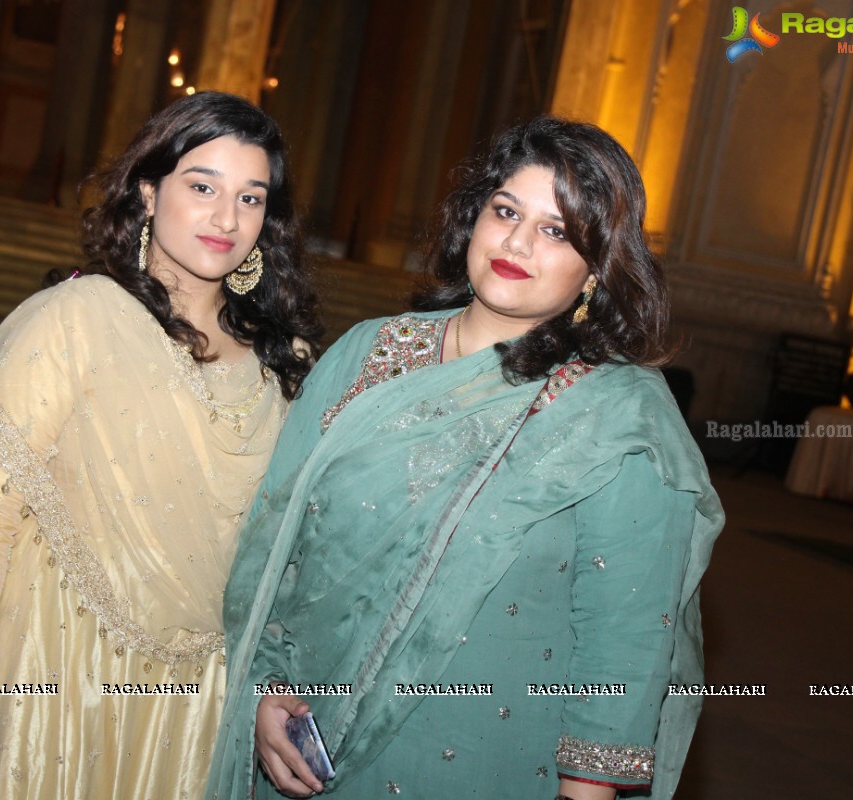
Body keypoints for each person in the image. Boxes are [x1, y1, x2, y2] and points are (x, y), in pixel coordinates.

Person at [207, 117, 723, 800]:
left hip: (485, 761)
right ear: (471, 219)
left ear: (597, 268)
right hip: (307, 751)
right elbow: (279, 545)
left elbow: (622, 642)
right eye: (506, 211)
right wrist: (265, 694)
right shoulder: (368, 353)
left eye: (556, 230)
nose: (516, 242)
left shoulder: (616, 416)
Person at [0, 91, 321, 799]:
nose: (226, 217)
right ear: (149, 192)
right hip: (58, 671)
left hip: (201, 694)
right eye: (201, 187)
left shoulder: (285, 359)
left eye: (251, 197)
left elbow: (285, 547)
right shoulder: (73, 320)